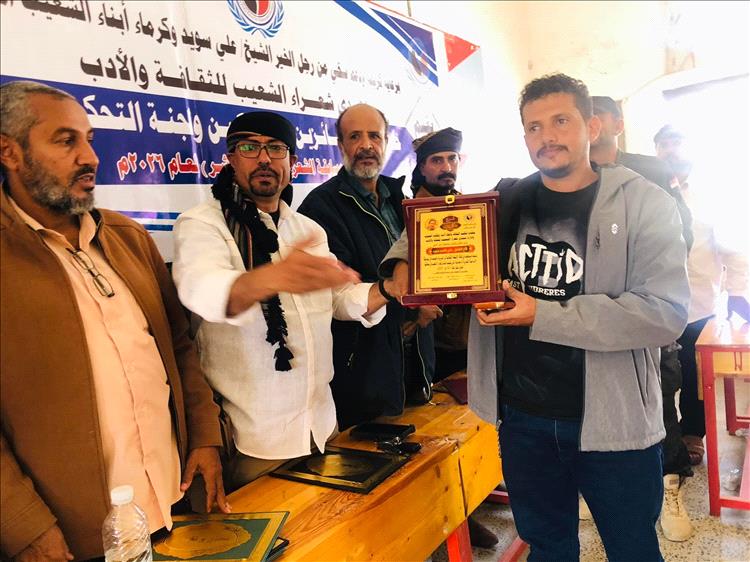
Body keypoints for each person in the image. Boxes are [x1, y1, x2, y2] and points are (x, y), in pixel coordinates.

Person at [382, 74, 689, 561]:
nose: (547, 136)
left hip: (616, 421)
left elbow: (664, 313)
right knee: (546, 547)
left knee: (632, 547)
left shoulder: (645, 203)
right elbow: (434, 223)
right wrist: (402, 262)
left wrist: (540, 314)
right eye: (534, 127)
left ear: (591, 126)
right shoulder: (506, 199)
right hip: (524, 419)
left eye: (561, 121)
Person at [0, 80, 229, 561]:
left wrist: (205, 437)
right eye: (66, 141)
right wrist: (22, 526)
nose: (89, 157)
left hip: (172, 503)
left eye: (89, 140)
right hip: (74, 537)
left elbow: (179, 347)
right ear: (10, 152)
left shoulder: (128, 237)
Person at [172, 111, 391, 489]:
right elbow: (202, 290)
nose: (264, 159)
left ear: (292, 162)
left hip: (321, 428)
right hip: (254, 443)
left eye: (275, 149)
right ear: (231, 157)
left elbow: (337, 300)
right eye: (249, 148)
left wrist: (388, 290)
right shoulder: (203, 224)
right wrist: (270, 278)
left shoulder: (306, 229)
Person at [297, 103, 440, 429]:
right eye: (355, 137)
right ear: (340, 145)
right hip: (364, 372)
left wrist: (423, 302)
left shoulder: (399, 199)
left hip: (414, 360)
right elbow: (337, 293)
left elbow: (418, 264)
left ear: (386, 142)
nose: (366, 146)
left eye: (374, 136)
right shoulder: (320, 208)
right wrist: (401, 298)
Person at [591, 96, 694, 541]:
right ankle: (595, 489)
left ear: (617, 123)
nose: (591, 126)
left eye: (598, 117)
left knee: (660, 399)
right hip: (591, 318)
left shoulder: (650, 170)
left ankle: (671, 485)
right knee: (594, 404)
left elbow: (681, 235)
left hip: (644, 312)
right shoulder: (568, 178)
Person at [409, 127, 499, 549]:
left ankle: (477, 494)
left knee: (474, 423)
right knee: (441, 435)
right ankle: (457, 514)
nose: (446, 168)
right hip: (432, 342)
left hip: (469, 335)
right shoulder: (412, 213)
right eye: (437, 161)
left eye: (451, 159)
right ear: (422, 167)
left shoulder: (467, 207)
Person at [654, 125, 750, 464]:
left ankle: (693, 433)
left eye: (677, 142)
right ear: (656, 151)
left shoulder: (710, 195)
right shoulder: (647, 190)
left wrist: (737, 292)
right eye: (664, 144)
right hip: (654, 306)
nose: (671, 150)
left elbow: (733, 249)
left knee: (695, 377)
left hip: (698, 306)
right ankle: (661, 434)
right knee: (658, 376)